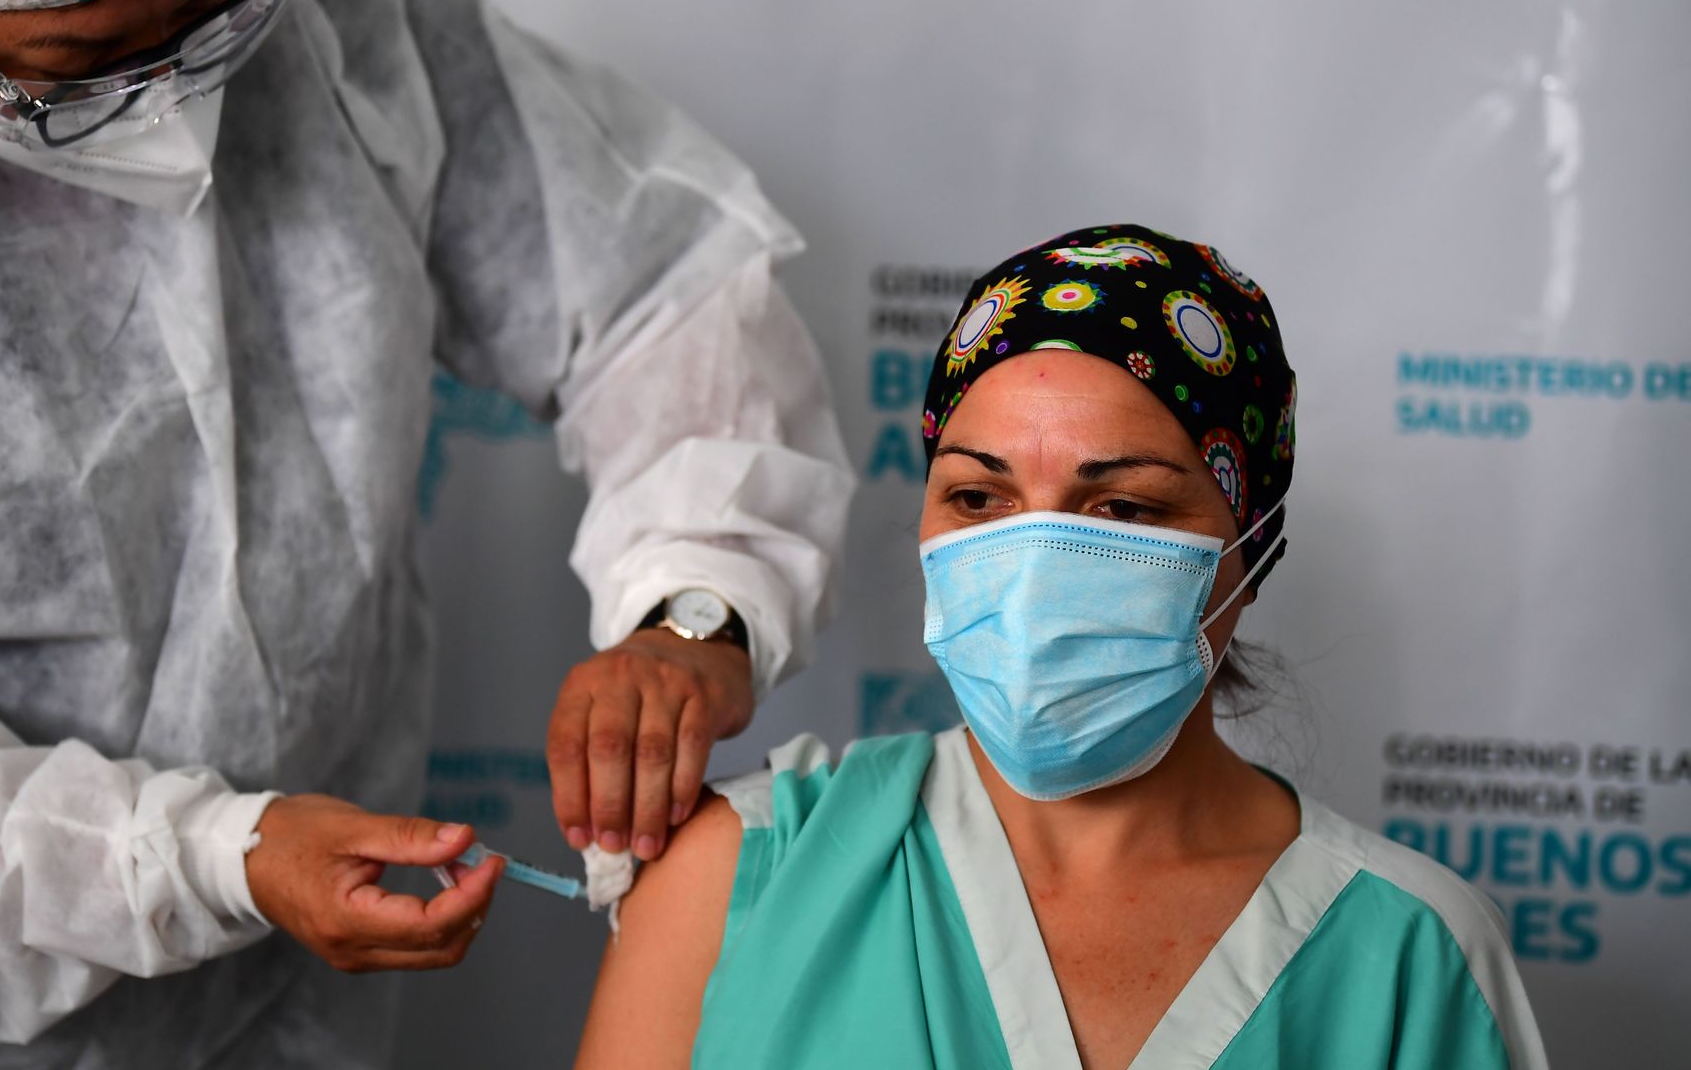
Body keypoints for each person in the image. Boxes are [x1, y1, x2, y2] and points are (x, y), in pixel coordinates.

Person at [0, 0, 854, 1064]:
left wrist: (697, 606)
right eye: (82, 61)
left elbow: (662, 285)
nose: (176, 105)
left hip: (294, 1018)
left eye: (217, 15)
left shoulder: (343, 19)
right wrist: (203, 857)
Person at [578, 225, 1549, 1070]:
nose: (1035, 565)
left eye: (1121, 508)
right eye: (977, 498)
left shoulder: (1415, 961)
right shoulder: (747, 875)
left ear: (1250, 553)